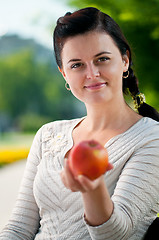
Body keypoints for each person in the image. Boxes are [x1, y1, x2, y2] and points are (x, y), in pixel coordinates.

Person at [0, 7, 159, 240]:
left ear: (124, 60)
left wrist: (93, 190)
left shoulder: (151, 138)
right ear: (64, 73)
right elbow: (18, 228)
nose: (92, 74)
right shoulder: (48, 135)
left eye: (102, 59)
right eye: (77, 65)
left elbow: (118, 234)